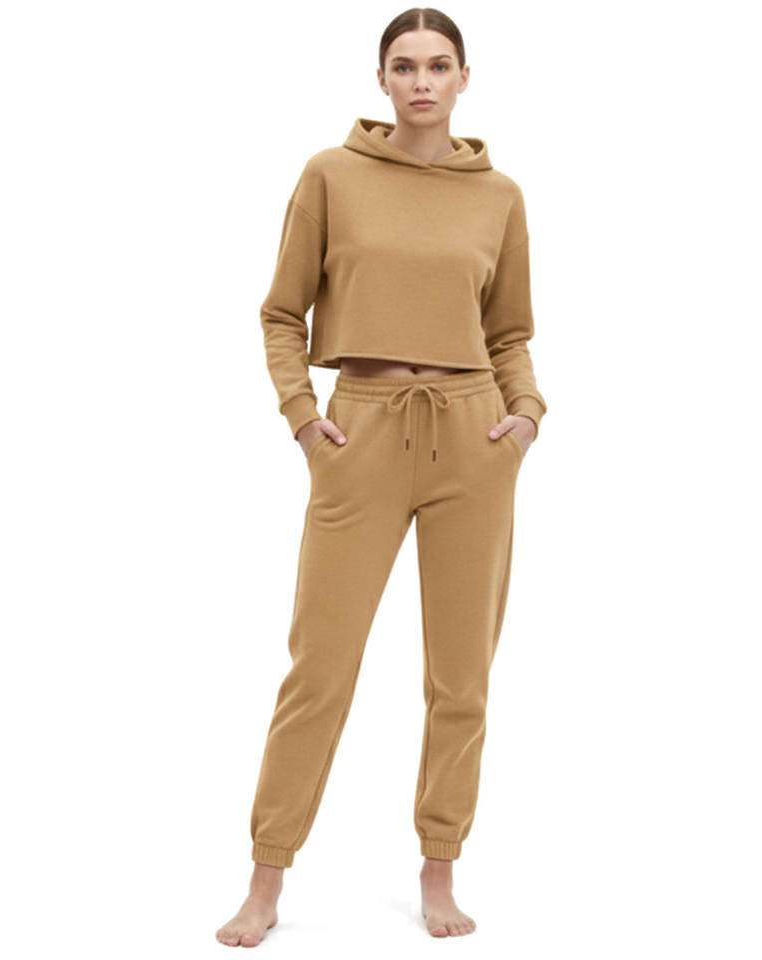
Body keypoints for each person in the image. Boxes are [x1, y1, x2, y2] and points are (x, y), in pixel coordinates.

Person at [216, 7, 547, 946]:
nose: (422, 82)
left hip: (474, 437)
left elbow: (510, 331)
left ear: (465, 79)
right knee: (320, 667)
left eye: (439, 66)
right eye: (404, 66)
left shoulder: (500, 196)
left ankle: (440, 869)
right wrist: (302, 417)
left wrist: (526, 413)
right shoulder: (331, 175)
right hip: (358, 431)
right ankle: (266, 877)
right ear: (381, 80)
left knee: (461, 676)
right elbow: (281, 312)